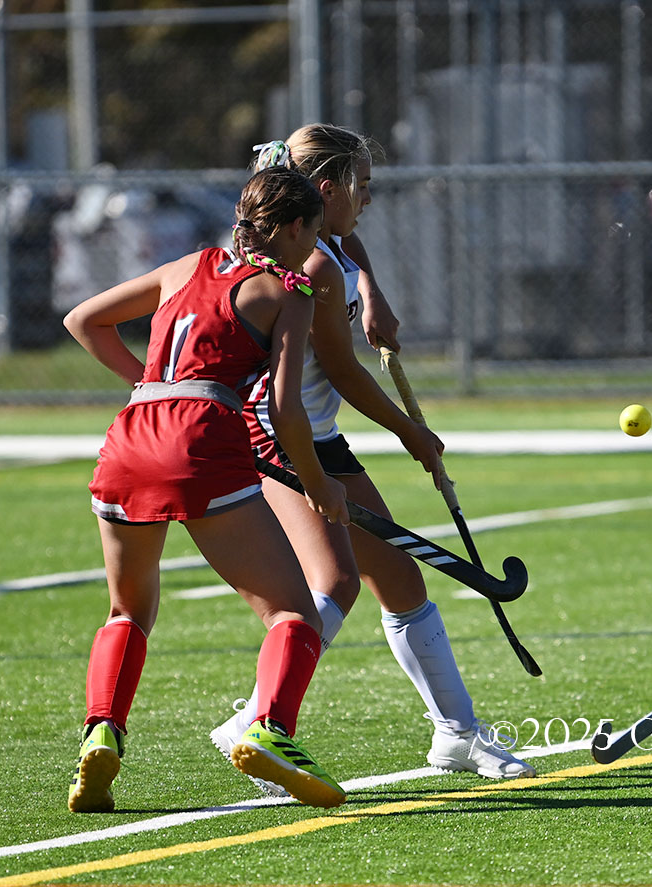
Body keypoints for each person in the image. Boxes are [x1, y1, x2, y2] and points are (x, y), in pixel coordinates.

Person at [209, 125, 536, 791]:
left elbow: (348, 246)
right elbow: (345, 373)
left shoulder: (323, 241)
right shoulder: (311, 265)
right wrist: (411, 433)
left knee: (403, 582)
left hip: (315, 433)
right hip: (278, 439)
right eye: (362, 188)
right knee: (334, 583)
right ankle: (257, 719)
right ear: (325, 191)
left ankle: (456, 732)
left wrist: (373, 289)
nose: (369, 201)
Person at [62, 167, 350, 812]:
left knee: (126, 611)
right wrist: (318, 483)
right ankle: (270, 730)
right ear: (296, 227)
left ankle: (101, 733)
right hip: (199, 442)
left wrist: (151, 386)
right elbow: (286, 411)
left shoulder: (188, 265)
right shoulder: (289, 292)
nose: (314, 247)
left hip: (130, 435)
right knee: (293, 613)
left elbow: (83, 319)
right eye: (314, 234)